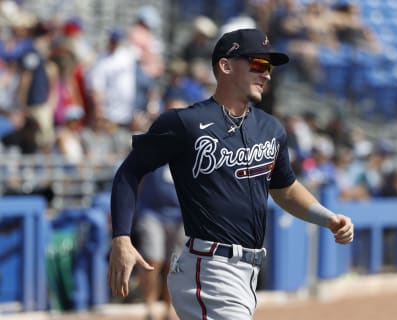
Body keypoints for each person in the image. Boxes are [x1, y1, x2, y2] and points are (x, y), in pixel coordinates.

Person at [108, 28, 354, 320]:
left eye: (269, 67)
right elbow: (129, 171)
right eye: (259, 64)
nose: (267, 74)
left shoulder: (270, 128)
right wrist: (121, 238)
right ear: (225, 66)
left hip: (246, 272)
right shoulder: (185, 123)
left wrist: (327, 218)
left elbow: (285, 189)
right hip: (209, 268)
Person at [132, 165, 186, 320]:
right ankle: (149, 309)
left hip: (181, 216)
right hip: (151, 213)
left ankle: (170, 309)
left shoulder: (187, 144)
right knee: (152, 261)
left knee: (175, 265)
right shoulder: (153, 142)